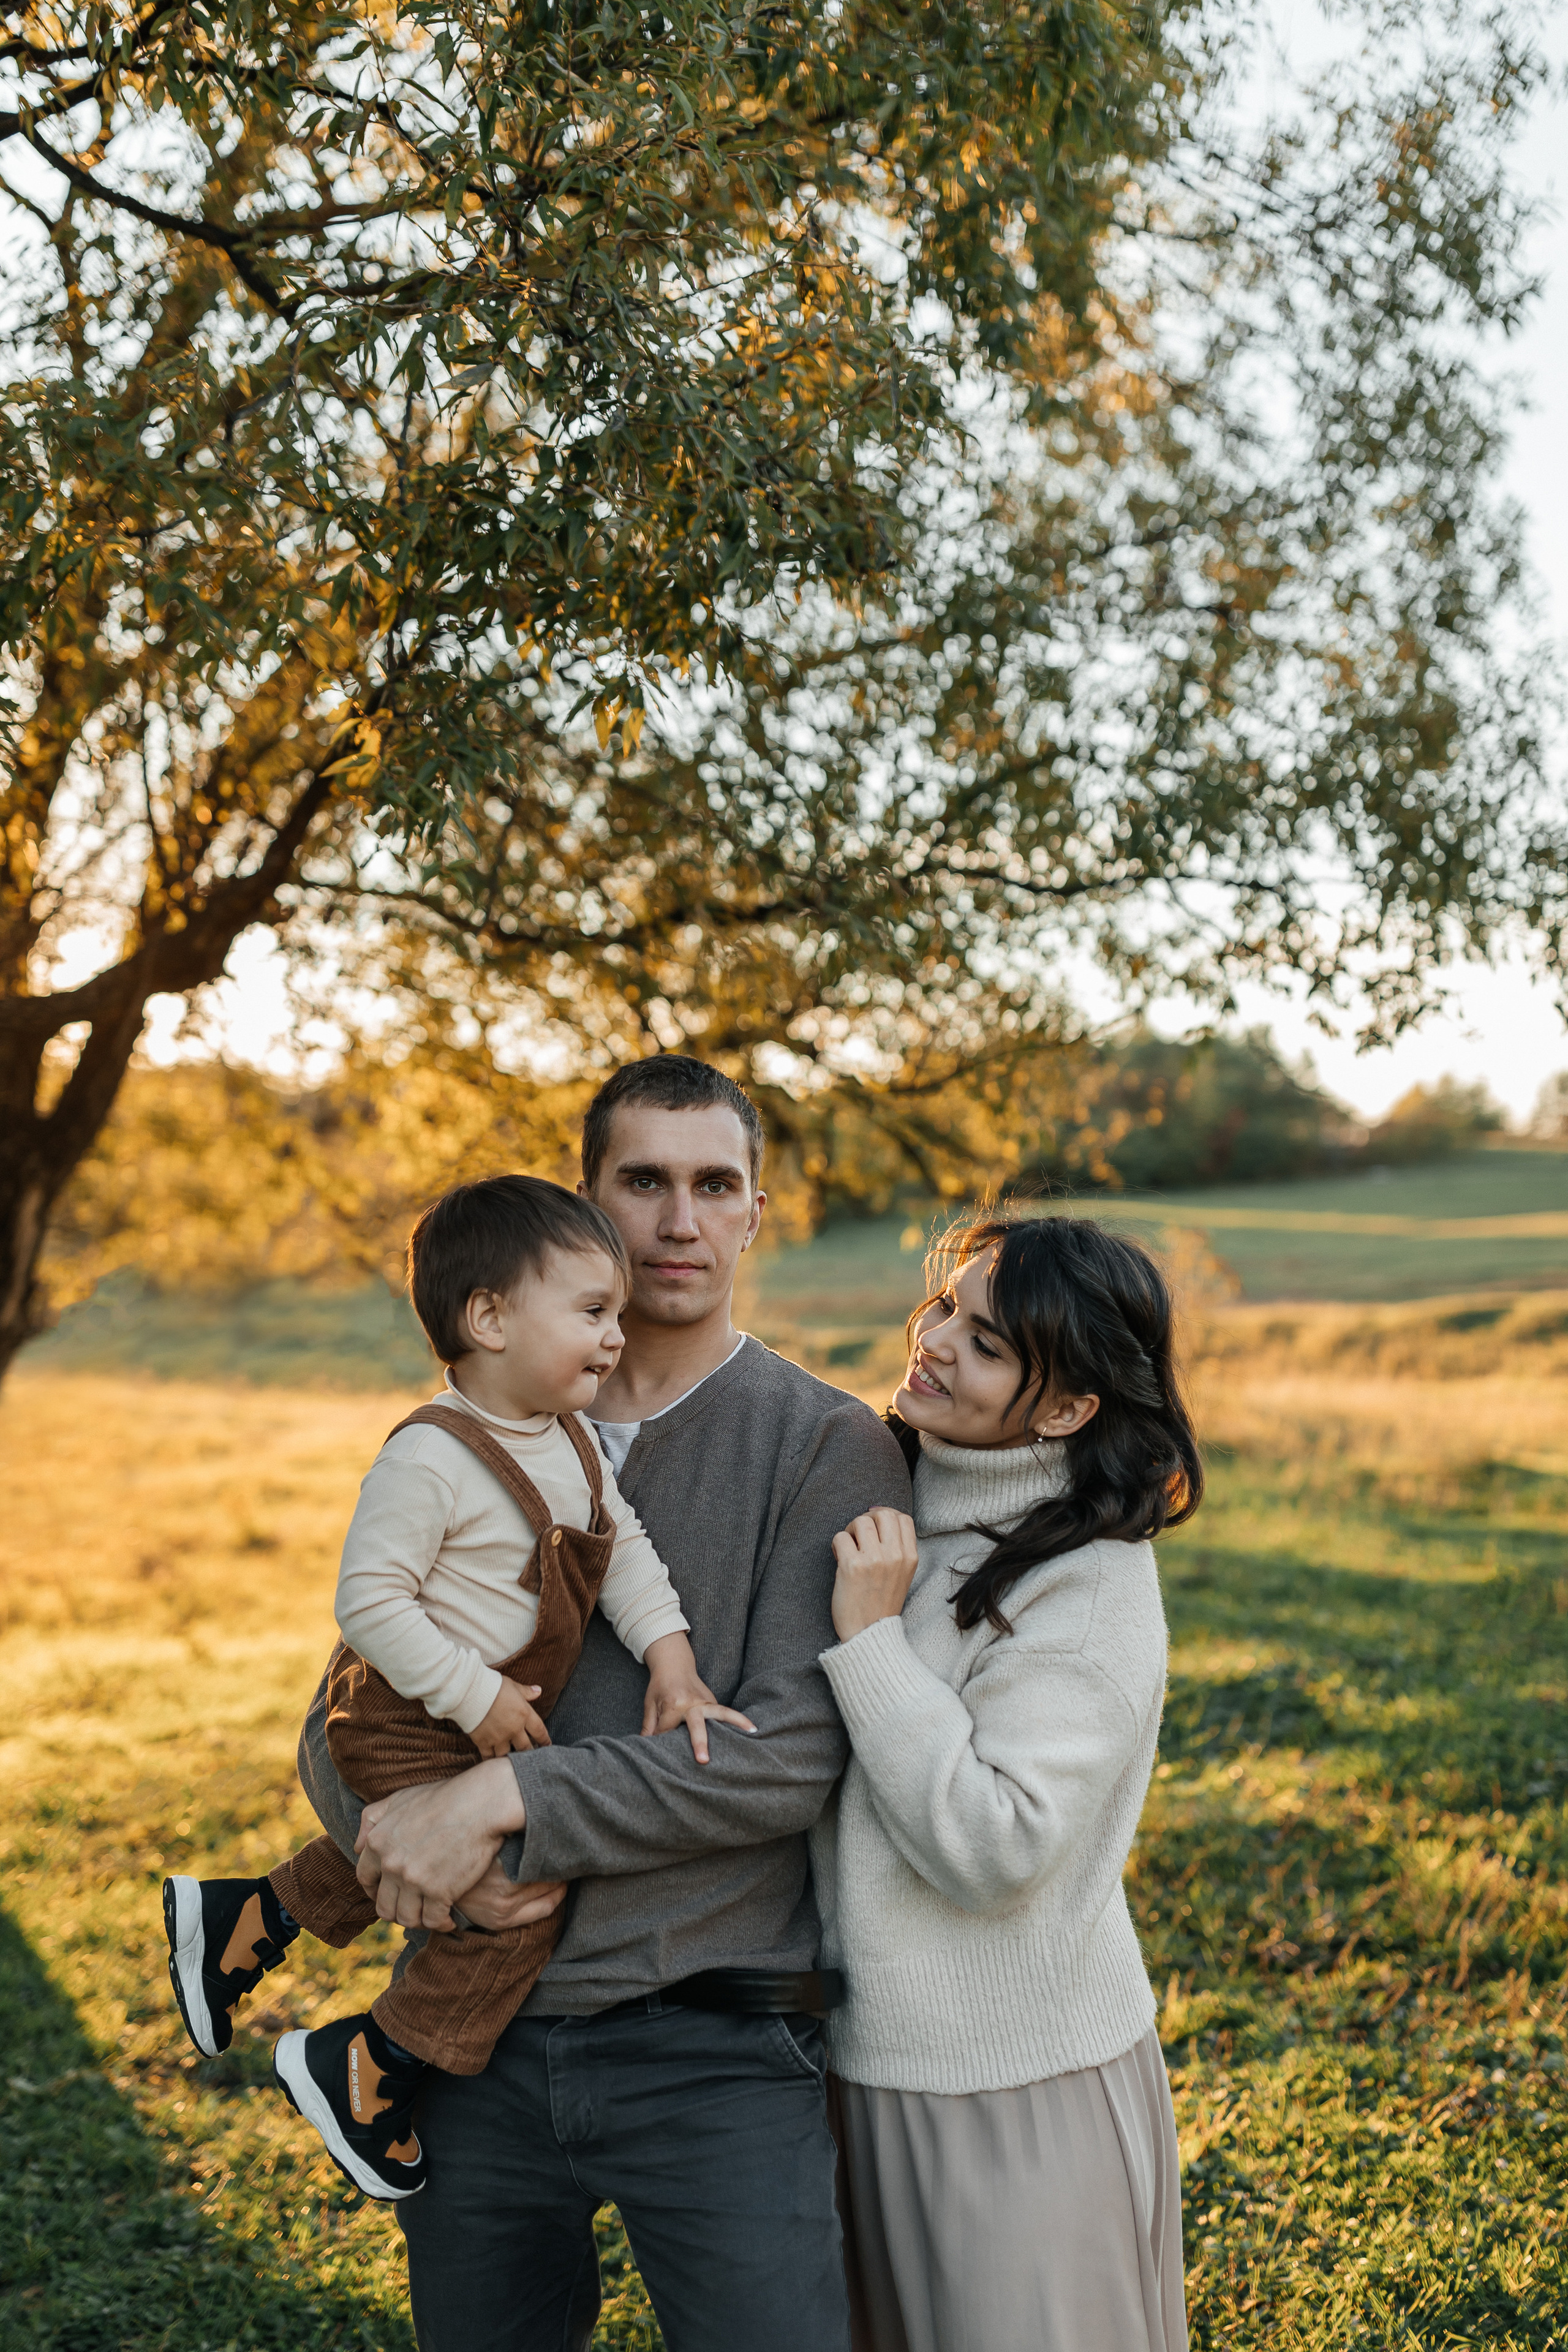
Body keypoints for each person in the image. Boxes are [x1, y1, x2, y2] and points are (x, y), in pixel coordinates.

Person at [293, 1055, 913, 2352]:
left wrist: (499, 1800)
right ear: (588, 1201)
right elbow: (347, 1710)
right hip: (471, 2039)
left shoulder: (825, 1442)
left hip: (713, 2045)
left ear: (755, 1213)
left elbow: (779, 1762)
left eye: (715, 1186)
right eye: (643, 1182)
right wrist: (422, 1851)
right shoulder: (473, 1425)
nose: (679, 1221)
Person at [161, 1175, 743, 2200]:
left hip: (475, 1713)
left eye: (615, 1314)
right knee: (515, 1900)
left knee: (445, 1848)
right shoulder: (433, 1454)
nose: (616, 1337)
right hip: (406, 1710)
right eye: (592, 1312)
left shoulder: (569, 1439)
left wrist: (671, 1658)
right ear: (489, 1319)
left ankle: (247, 1918)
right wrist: (474, 1698)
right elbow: (368, 1602)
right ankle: (372, 2064)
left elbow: (625, 1552)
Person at [817, 1212, 1199, 2352]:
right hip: (863, 2066)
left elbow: (1001, 1844)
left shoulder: (1087, 1588)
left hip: (1011, 2092)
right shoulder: (898, 1502)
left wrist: (869, 1644)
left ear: (1070, 1408)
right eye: (948, 1307)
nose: (934, 1341)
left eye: (984, 1344)